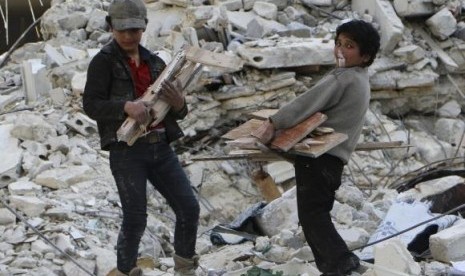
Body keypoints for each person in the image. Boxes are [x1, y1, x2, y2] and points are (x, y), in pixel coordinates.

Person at [252, 19, 380, 276]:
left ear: (365, 56)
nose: (340, 51)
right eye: (338, 43)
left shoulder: (343, 78)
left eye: (349, 46)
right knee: (315, 215)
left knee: (313, 217)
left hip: (320, 158)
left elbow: (306, 103)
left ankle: (343, 264)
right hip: (333, 162)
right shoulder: (360, 79)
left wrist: (274, 121)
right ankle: (333, 268)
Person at [82, 0, 200, 275]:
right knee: (135, 218)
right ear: (111, 28)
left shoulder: (157, 63)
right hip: (126, 152)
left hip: (160, 147)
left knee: (188, 208)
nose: (128, 36)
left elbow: (178, 114)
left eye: (134, 30)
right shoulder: (103, 62)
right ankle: (125, 271)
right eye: (122, 30)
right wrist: (126, 106)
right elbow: (91, 104)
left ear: (144, 27)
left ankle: (185, 268)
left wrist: (180, 103)